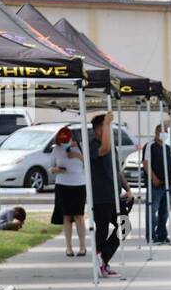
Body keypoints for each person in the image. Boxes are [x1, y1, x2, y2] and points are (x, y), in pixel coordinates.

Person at [87, 112, 123, 277]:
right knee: (101, 230)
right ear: (97, 130)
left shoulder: (111, 144)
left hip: (113, 195)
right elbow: (104, 149)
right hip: (101, 196)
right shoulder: (93, 144)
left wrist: (127, 189)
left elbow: (117, 169)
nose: (108, 129)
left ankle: (104, 257)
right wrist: (108, 123)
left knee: (124, 225)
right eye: (105, 127)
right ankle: (99, 261)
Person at [48, 127, 87, 256]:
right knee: (67, 216)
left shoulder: (81, 147)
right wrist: (56, 170)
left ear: (72, 138)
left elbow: (89, 164)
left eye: (66, 140)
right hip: (62, 185)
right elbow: (50, 167)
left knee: (79, 216)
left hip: (79, 184)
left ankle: (82, 246)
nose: (64, 143)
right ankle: (68, 247)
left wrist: (77, 155)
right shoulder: (56, 149)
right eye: (62, 141)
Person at [144, 123, 171, 244]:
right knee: (152, 210)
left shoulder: (167, 147)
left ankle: (162, 234)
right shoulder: (150, 146)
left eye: (166, 131)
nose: (164, 133)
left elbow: (170, 163)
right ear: (156, 132)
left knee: (164, 212)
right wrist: (153, 177)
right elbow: (146, 163)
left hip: (167, 184)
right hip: (155, 185)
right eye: (162, 131)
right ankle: (151, 235)